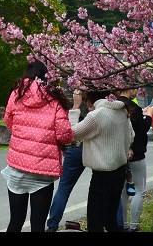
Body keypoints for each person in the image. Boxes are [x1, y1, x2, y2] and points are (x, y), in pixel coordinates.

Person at [1, 60, 75, 233]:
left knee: (15, 222)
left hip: (18, 168)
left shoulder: (17, 94)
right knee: (37, 225)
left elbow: (8, 120)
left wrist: (22, 135)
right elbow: (64, 135)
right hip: (42, 172)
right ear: (46, 76)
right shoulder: (55, 99)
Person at [72, 89, 134, 232]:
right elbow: (132, 136)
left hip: (102, 175)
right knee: (110, 219)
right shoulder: (123, 111)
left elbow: (72, 133)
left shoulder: (96, 115)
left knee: (95, 222)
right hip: (119, 172)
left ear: (91, 98)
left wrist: (75, 108)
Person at [45, 90, 88, 232]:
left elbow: (68, 131)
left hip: (75, 149)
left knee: (64, 188)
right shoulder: (98, 104)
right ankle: (117, 223)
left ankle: (52, 225)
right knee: (107, 187)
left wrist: (75, 106)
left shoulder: (68, 105)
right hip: (96, 149)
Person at [120, 100, 153, 232]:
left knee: (123, 192)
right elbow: (142, 128)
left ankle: (123, 224)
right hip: (137, 154)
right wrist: (149, 115)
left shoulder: (114, 103)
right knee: (139, 190)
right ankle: (134, 225)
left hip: (121, 154)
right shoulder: (132, 107)